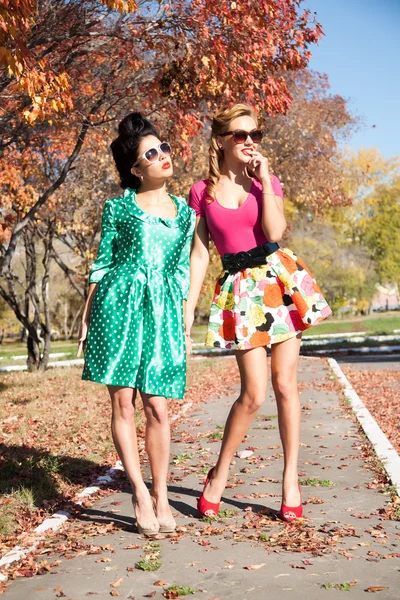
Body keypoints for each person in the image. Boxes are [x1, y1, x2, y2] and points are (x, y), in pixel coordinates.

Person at [186, 104, 331, 521]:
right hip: (239, 292)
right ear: (220, 140)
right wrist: (187, 311)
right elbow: (199, 255)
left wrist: (265, 181)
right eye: (240, 134)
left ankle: (290, 479)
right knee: (253, 394)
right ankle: (219, 474)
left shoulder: (266, 182)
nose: (250, 141)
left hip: (278, 283)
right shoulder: (201, 192)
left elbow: (274, 232)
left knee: (286, 385)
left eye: (255, 134)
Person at [78, 113, 195, 536]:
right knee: (123, 403)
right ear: (135, 169)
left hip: (162, 309)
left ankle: (162, 492)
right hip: (118, 305)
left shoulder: (185, 214)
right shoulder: (117, 208)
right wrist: (88, 316)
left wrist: (184, 315)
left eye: (163, 147)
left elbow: (181, 268)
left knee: (157, 407)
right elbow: (102, 263)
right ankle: (140, 494)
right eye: (152, 152)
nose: (163, 155)